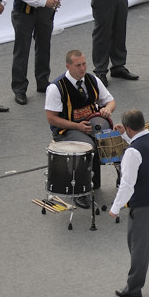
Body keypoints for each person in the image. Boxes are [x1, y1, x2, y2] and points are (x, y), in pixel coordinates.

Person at [109, 109, 149, 297]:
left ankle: (134, 287)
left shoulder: (131, 153)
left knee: (139, 246)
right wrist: (126, 137)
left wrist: (115, 207)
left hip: (144, 205)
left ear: (128, 128)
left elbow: (127, 185)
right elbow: (141, 147)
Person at [45, 50, 116, 208]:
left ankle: (121, 180)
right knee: (88, 147)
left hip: (92, 125)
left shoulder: (92, 79)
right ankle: (80, 192)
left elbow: (110, 101)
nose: (82, 68)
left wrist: (107, 110)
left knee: (117, 140)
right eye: (78, 65)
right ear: (68, 66)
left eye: (84, 64)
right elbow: (51, 118)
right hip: (67, 130)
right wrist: (77, 126)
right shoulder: (56, 87)